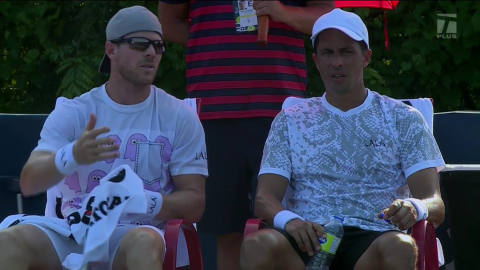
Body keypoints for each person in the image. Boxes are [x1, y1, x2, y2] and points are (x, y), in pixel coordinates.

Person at [0, 6, 208, 270]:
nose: (151, 53)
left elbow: (195, 203)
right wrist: (71, 156)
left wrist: (144, 200)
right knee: (8, 241)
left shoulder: (179, 116)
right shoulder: (74, 112)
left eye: (158, 46)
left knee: (144, 242)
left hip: (136, 232)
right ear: (111, 50)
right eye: (139, 43)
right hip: (73, 231)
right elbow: (29, 182)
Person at [240, 8, 446, 270]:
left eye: (346, 51)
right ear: (316, 60)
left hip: (374, 236)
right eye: (327, 53)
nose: (336, 62)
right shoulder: (290, 119)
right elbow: (264, 199)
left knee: (401, 247)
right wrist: (290, 221)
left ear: (366, 57)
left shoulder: (403, 118)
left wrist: (415, 207)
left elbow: (434, 203)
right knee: (257, 245)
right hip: (308, 235)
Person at [157, 1, 335, 269]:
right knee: (226, 229)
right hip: (214, 110)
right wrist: (214, 40)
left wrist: (281, 12)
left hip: (282, 113)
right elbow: (169, 23)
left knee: (284, 226)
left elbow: (327, 21)